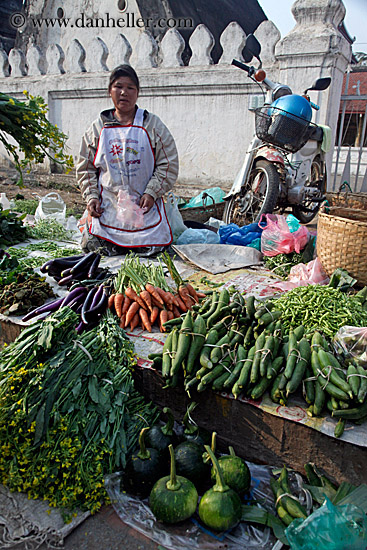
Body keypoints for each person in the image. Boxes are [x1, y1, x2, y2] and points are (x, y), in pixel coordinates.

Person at [76, 65, 179, 256]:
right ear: (110, 91)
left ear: (138, 93)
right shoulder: (98, 128)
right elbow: (86, 167)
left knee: (153, 250)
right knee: (95, 247)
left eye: (131, 88)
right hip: (108, 208)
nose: (124, 92)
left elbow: (168, 164)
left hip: (144, 208)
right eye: (118, 87)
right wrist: (91, 197)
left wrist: (151, 192)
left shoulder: (152, 124)